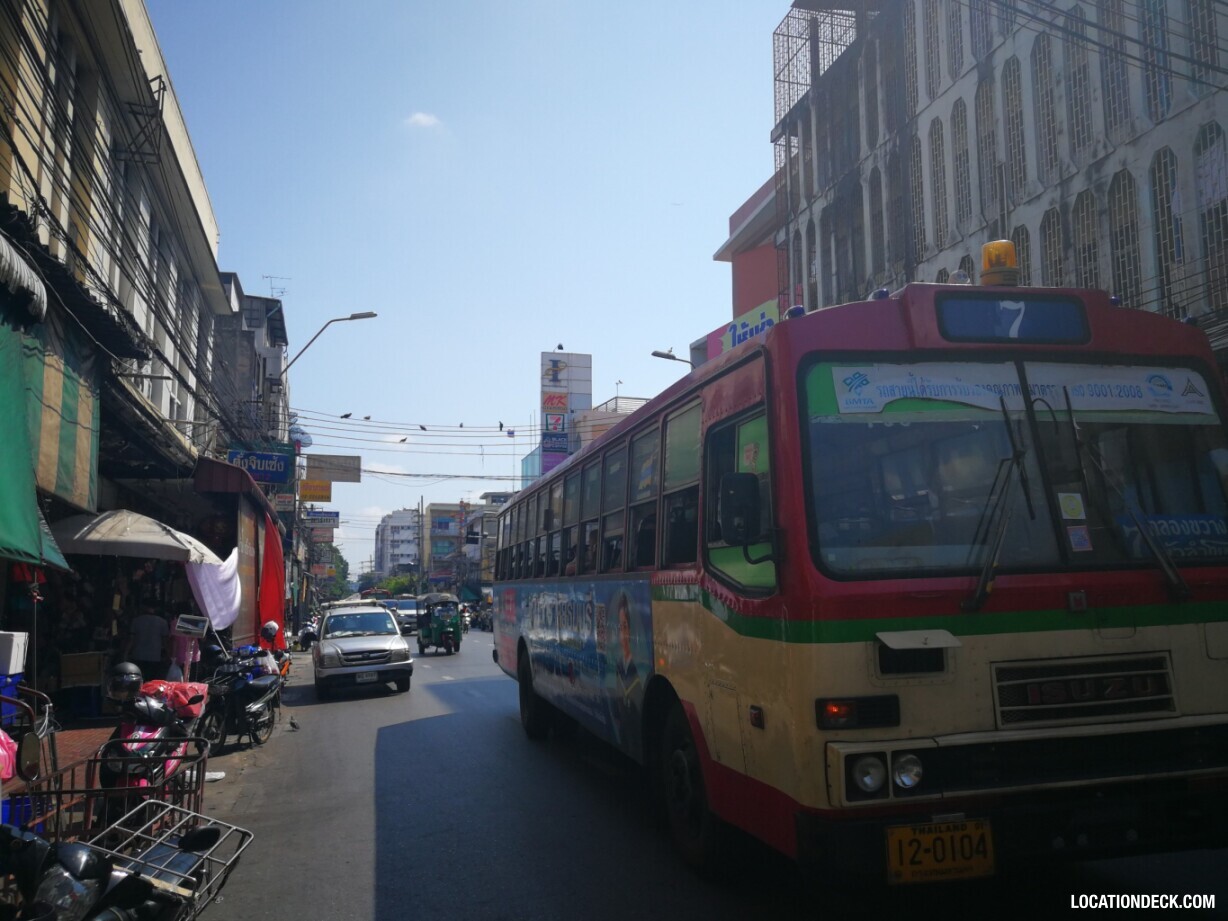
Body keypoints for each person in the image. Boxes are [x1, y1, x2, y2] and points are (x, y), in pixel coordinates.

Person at [124, 605, 170, 681]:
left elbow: (131, 640)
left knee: (138, 680)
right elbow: (165, 642)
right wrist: (169, 655)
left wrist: (125, 654)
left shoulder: (136, 621)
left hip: (138, 656)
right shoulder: (163, 622)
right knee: (152, 681)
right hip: (155, 657)